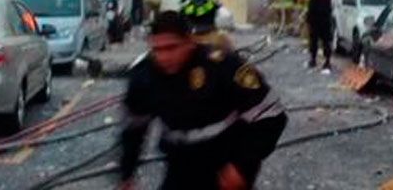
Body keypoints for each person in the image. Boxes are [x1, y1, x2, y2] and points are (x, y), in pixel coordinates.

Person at [119, 11, 287, 190]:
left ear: (190, 42)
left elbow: (271, 115)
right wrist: (127, 174)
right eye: (157, 50)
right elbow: (134, 128)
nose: (164, 57)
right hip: (180, 164)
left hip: (225, 163)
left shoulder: (222, 65)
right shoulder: (145, 76)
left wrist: (243, 165)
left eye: (171, 48)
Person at [306, 0, 334, 72]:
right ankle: (327, 61)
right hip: (326, 19)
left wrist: (308, 18)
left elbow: (311, 6)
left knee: (314, 40)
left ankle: (313, 60)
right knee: (326, 41)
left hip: (315, 20)